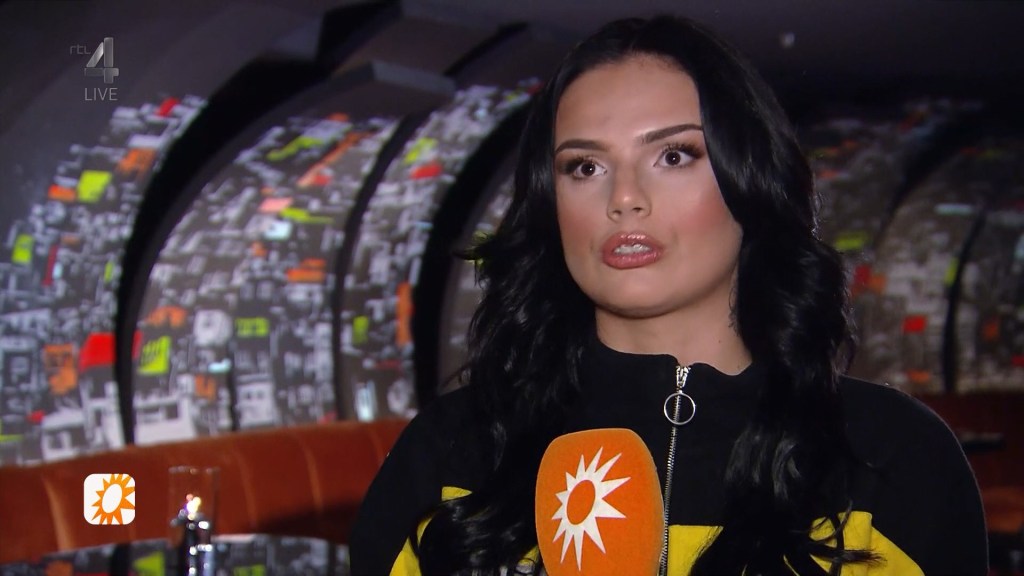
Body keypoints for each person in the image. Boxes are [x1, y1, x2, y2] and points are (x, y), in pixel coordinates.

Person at [350, 14, 988, 576]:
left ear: (749, 179)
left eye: (674, 156)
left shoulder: (891, 457)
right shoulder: (451, 450)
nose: (624, 198)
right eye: (585, 167)